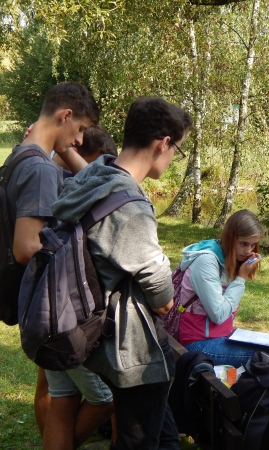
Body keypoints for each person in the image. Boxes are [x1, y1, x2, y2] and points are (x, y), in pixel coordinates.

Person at [52, 96, 191, 449]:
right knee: (140, 440)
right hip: (130, 350)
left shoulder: (98, 175)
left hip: (100, 335)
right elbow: (161, 294)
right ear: (163, 144)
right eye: (177, 149)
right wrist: (165, 294)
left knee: (163, 436)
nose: (174, 157)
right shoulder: (129, 206)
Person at [5, 81, 114, 450]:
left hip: (35, 302)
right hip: (50, 306)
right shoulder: (41, 171)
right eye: (80, 128)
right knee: (101, 394)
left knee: (62, 393)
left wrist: (62, 147)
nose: (81, 139)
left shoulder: (21, 155)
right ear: (65, 116)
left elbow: (91, 180)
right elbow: (26, 247)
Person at [177, 209, 269, 378]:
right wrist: (241, 278)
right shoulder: (206, 262)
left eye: (253, 245)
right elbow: (219, 315)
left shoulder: (227, 258)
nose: (248, 251)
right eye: (244, 244)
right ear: (230, 238)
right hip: (197, 345)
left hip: (220, 337)